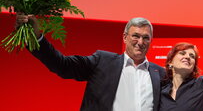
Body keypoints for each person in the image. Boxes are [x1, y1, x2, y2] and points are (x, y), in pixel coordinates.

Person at [15, 13, 166, 111]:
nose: (140, 42)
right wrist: (36, 37)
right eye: (136, 36)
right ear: (125, 37)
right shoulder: (103, 61)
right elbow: (62, 65)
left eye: (146, 37)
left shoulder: (160, 74)